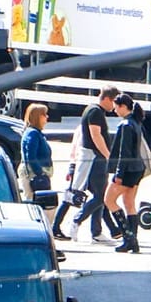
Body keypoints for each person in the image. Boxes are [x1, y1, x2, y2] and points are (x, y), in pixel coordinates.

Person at [56, 85, 120, 244]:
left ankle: (96, 233)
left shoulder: (93, 110)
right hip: (95, 159)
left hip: (93, 158)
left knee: (99, 195)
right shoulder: (95, 112)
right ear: (106, 98)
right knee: (100, 197)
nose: (114, 106)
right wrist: (108, 155)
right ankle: (77, 221)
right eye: (114, 102)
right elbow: (95, 135)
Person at [106, 95, 150, 253]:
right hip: (137, 169)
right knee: (129, 203)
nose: (114, 110)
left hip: (127, 170)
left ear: (123, 106)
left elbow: (123, 152)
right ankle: (133, 241)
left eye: (116, 107)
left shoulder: (125, 124)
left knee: (109, 200)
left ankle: (128, 237)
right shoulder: (136, 122)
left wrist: (118, 173)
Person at [20, 104, 55, 196]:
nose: (47, 117)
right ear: (37, 117)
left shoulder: (37, 133)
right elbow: (30, 156)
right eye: (44, 114)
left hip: (38, 174)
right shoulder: (32, 134)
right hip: (33, 176)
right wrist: (40, 174)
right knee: (34, 201)